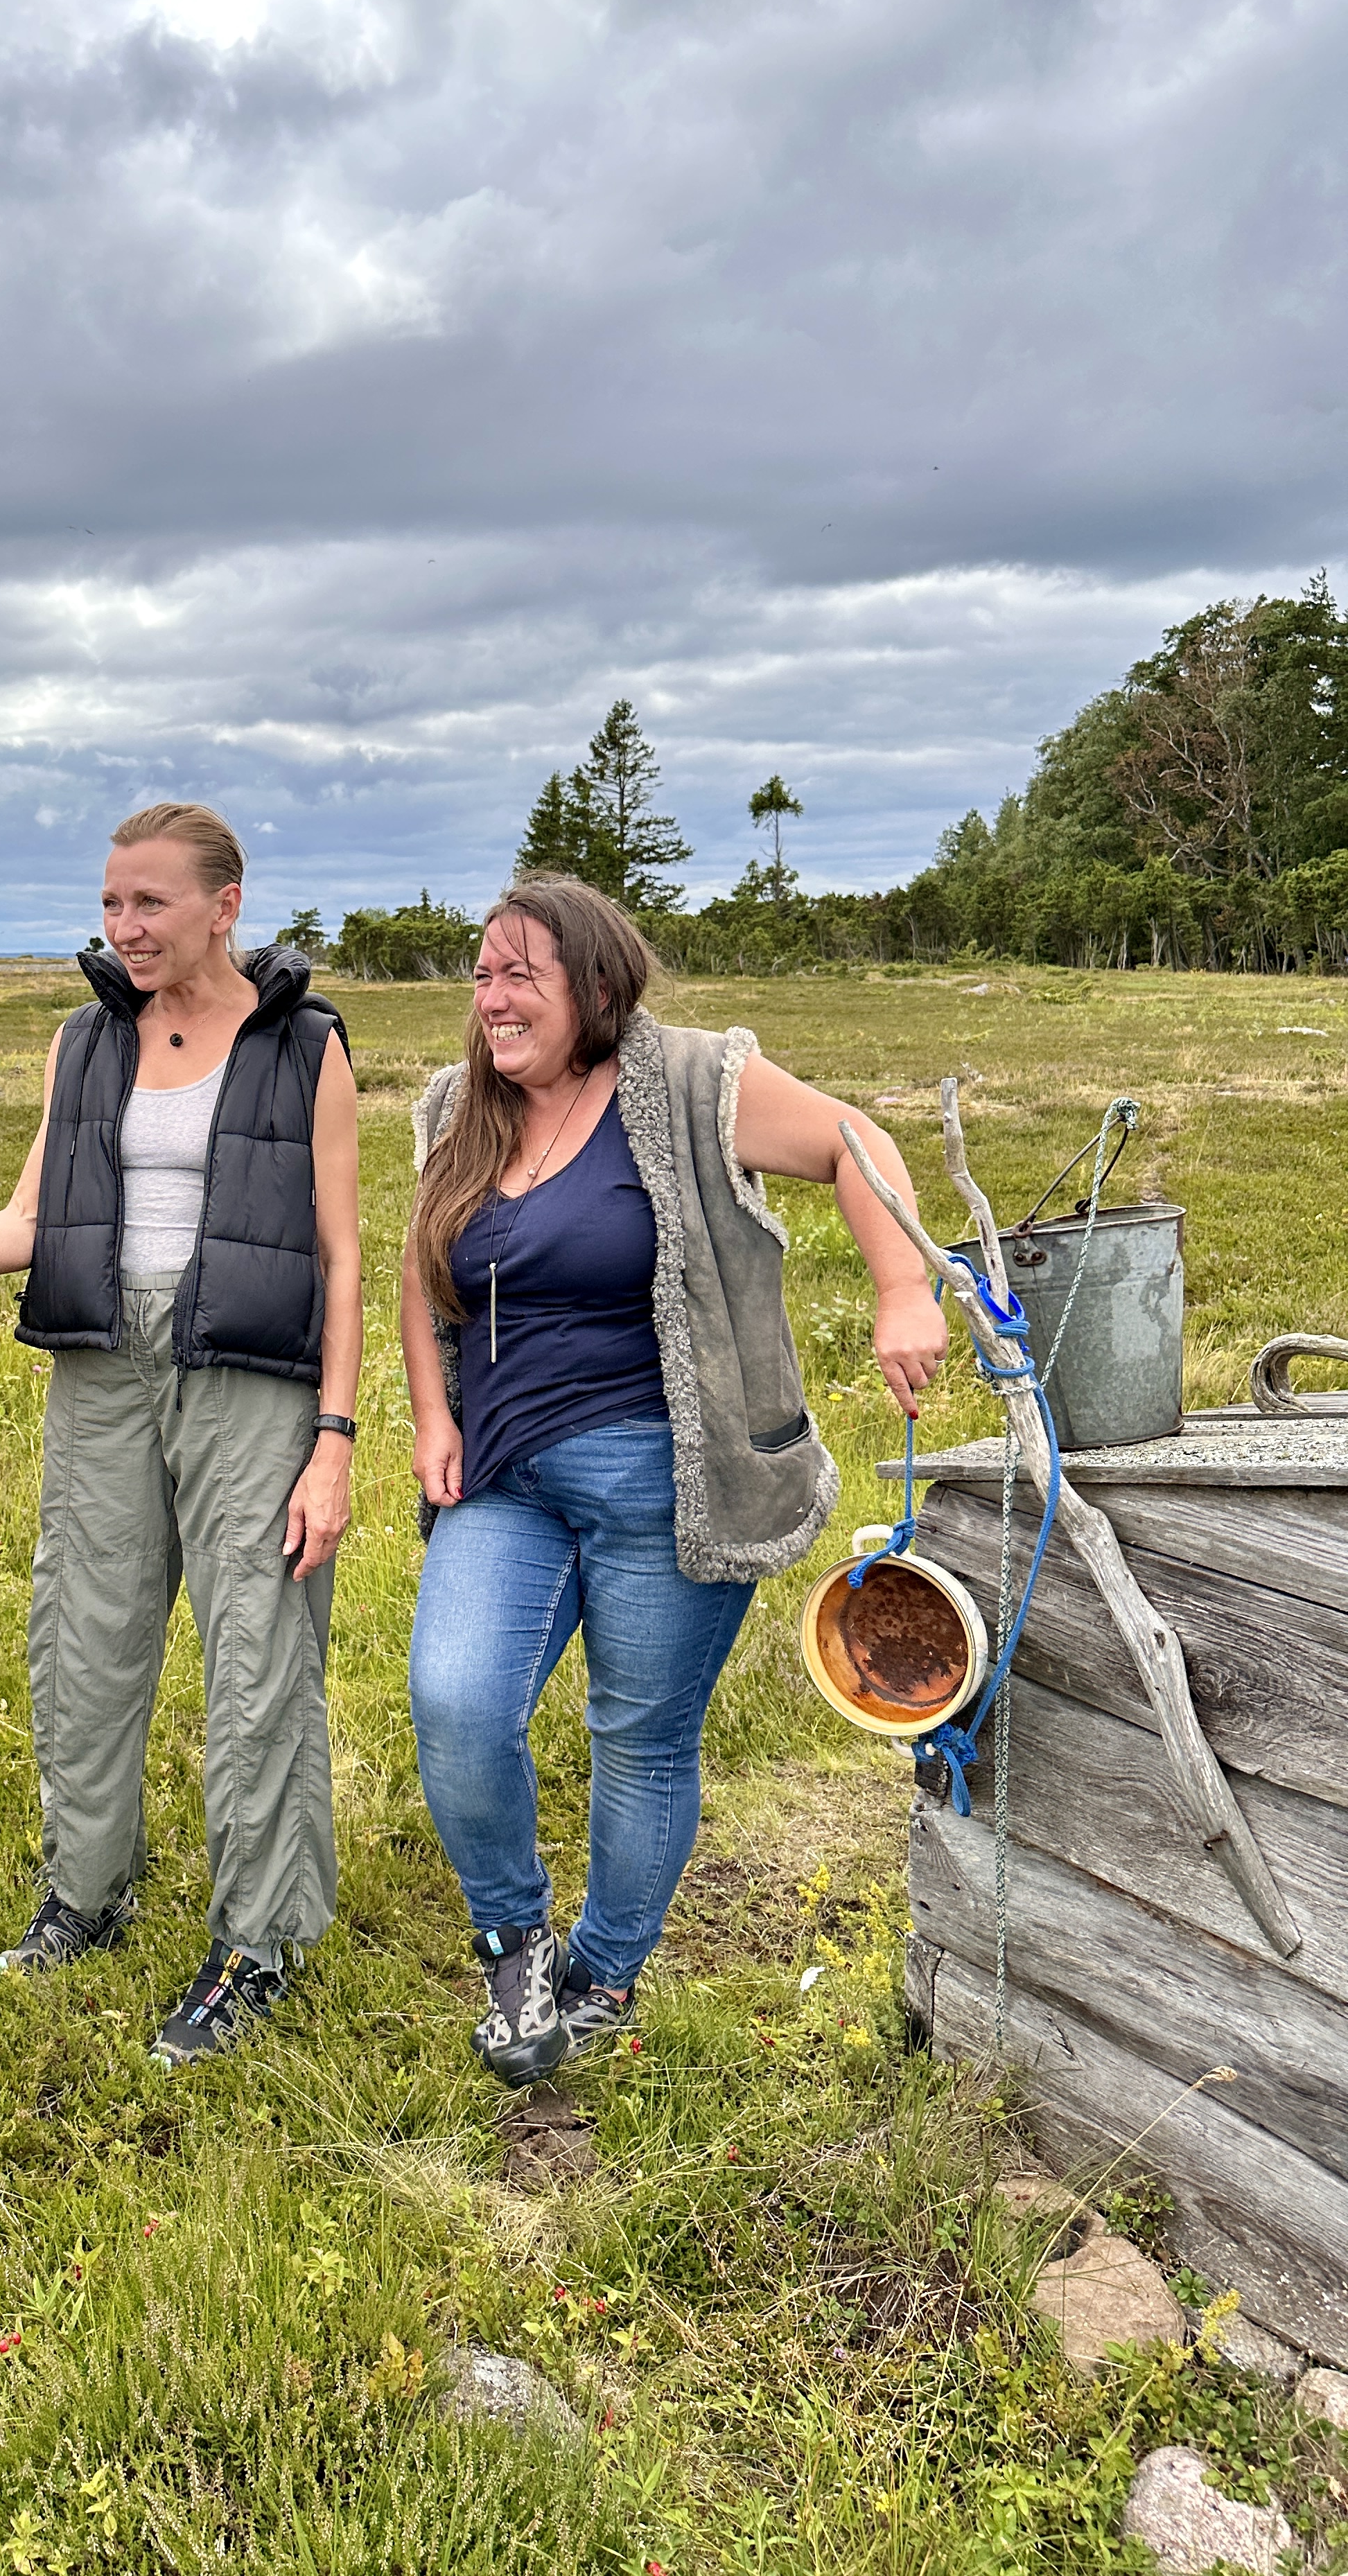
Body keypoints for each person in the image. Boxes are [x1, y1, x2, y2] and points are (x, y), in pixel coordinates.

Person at [401, 876, 947, 2088]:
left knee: (641, 1735)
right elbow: (420, 1268)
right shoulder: (458, 1106)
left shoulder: (696, 1081)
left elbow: (854, 1144)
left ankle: (603, 1976)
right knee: (457, 1703)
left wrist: (904, 1287)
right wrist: (434, 1413)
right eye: (482, 977)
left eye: (520, 976)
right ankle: (515, 1946)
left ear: (597, 986)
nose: (491, 1000)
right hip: (502, 1476)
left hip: (673, 1474)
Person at [0, 802, 361, 2065]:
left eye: (152, 902)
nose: (125, 926)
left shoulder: (305, 1046)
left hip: (249, 1373)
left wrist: (334, 1440)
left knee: (258, 1649)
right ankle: (87, 1892)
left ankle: (258, 1944)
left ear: (224, 908)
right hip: (104, 1365)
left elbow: (343, 1256)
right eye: (113, 902)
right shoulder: (84, 1041)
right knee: (85, 1631)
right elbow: (35, 1216)